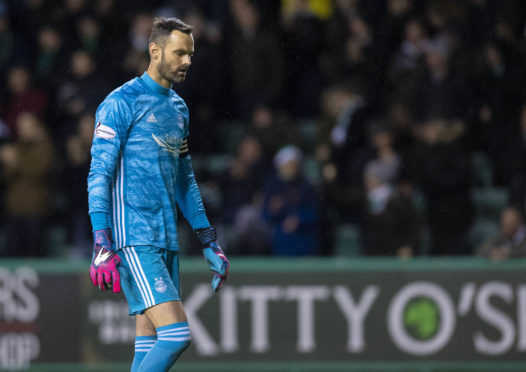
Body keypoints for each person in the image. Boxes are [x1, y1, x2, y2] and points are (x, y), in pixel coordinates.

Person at [87, 17, 230, 372]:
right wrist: (101, 241)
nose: (187, 61)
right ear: (155, 51)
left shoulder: (178, 109)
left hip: (164, 237)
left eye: (190, 54)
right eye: (180, 53)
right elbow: (98, 175)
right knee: (176, 335)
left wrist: (208, 239)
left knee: (147, 348)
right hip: (133, 237)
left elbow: (185, 179)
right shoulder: (120, 102)